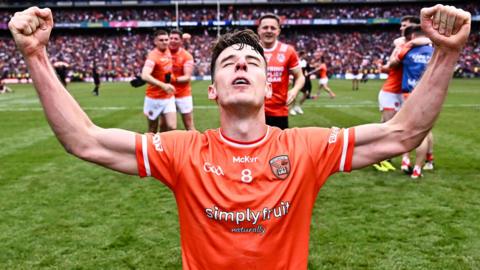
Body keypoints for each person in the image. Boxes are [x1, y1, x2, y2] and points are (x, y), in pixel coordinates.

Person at [8, 5, 470, 269]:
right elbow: (84, 139)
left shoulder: (305, 146)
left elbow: (403, 132)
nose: (243, 64)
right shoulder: (183, 150)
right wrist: (36, 56)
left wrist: (446, 54)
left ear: (270, 84)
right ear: (213, 89)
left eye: (252, 60)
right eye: (229, 62)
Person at [374, 15, 424, 172]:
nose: (401, 29)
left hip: (403, 92)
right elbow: (392, 63)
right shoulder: (402, 45)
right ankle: (380, 159)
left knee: (399, 128)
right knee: (390, 128)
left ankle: (403, 159)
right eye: (401, 26)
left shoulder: (415, 45)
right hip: (391, 91)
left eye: (405, 26)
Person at [394, 24, 435, 179]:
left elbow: (393, 62)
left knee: (407, 128)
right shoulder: (433, 52)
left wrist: (406, 44)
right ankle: (418, 169)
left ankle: (405, 160)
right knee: (423, 132)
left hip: (408, 94)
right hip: (428, 95)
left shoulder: (407, 50)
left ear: (412, 36)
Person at [257, 13, 305, 129]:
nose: (269, 31)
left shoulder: (288, 51)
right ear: (258, 30)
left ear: (278, 31)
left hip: (279, 112)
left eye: (273, 28)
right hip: (255, 111)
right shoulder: (250, 50)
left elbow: (300, 76)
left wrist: (294, 91)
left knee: (278, 146)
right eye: (265, 27)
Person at [141, 30, 176, 133]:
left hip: (168, 96)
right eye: (161, 40)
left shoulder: (169, 51)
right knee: (152, 129)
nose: (164, 42)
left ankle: (164, 147)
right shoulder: (153, 56)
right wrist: (163, 85)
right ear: (155, 41)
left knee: (172, 126)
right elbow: (145, 75)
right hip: (153, 98)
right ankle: (150, 148)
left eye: (166, 40)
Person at [169, 29, 196, 131]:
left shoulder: (186, 56)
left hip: (183, 94)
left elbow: (187, 77)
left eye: (176, 38)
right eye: (171, 38)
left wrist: (171, 79)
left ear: (181, 41)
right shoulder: (163, 54)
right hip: (167, 94)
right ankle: (165, 146)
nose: (172, 40)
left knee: (189, 125)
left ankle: (196, 146)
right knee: (166, 125)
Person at [289, 51, 312, 116]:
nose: (306, 55)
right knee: (295, 94)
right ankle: (292, 109)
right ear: (302, 54)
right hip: (296, 80)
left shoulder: (305, 62)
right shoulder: (296, 61)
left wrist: (307, 74)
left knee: (306, 93)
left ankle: (298, 106)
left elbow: (308, 70)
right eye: (305, 54)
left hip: (303, 80)